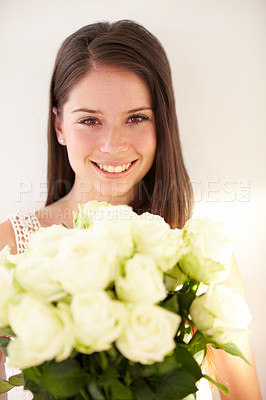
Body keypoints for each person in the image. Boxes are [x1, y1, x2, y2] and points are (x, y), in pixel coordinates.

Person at [0, 20, 262, 400]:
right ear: (59, 125)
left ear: (161, 123)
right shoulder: (9, 248)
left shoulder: (202, 255)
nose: (113, 145)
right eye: (89, 120)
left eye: (136, 118)